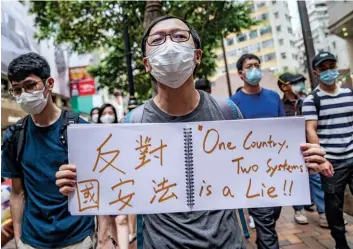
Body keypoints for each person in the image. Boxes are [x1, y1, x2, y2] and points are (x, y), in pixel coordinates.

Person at [56, 16, 332, 249]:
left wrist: (299, 164)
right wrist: (80, 182)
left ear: (197, 56)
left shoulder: (228, 112)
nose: (169, 44)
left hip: (228, 242)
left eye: (178, 36)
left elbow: (256, 170)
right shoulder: (133, 121)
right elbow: (118, 189)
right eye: (157, 39)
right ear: (147, 64)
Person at [230, 53, 333, 249]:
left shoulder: (273, 97)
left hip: (276, 170)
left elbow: (284, 132)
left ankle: (263, 240)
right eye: (249, 66)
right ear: (241, 73)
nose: (255, 69)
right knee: (265, 220)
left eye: (257, 65)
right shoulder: (233, 103)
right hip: (251, 173)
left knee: (272, 215)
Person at [1, 53, 96, 249]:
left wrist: (103, 236)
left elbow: (100, 185)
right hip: (32, 240)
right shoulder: (14, 137)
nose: (24, 94)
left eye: (30, 85)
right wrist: (18, 240)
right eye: (17, 90)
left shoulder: (79, 127)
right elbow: (17, 193)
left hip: (78, 237)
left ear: (49, 84)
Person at [302, 51, 353, 249]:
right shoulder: (312, 100)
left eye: (332, 67)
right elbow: (310, 129)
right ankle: (341, 243)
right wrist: (322, 159)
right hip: (332, 162)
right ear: (316, 72)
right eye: (323, 69)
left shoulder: (349, 94)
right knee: (333, 206)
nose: (329, 72)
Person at [278, 73, 328, 227]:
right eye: (295, 82)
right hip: (288, 151)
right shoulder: (280, 105)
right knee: (295, 180)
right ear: (284, 86)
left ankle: (323, 212)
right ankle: (298, 210)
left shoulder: (307, 101)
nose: (299, 85)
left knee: (316, 180)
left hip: (308, 148)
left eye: (300, 82)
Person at [95, 103, 131, 249]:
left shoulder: (121, 133)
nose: (107, 116)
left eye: (110, 113)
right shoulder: (93, 135)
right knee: (109, 221)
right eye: (104, 113)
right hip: (103, 184)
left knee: (122, 218)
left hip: (121, 181)